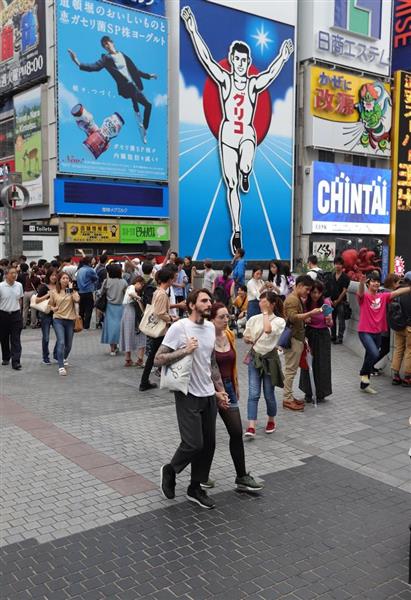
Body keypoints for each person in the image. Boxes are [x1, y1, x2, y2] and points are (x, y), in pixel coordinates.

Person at [181, 5, 293, 254]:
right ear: (232, 60)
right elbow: (205, 58)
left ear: (248, 62)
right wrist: (192, 29)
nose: (241, 64)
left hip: (247, 134)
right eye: (237, 59)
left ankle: (246, 171)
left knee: (246, 159)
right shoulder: (225, 79)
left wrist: (284, 56)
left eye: (245, 60)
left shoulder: (253, 84)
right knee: (231, 185)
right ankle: (237, 230)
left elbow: (271, 74)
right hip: (228, 134)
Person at [155, 289, 229, 509]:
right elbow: (159, 359)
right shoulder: (179, 328)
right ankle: (170, 470)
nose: (209, 304)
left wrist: (220, 389)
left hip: (208, 395)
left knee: (209, 445)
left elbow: (212, 362)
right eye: (204, 301)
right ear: (191, 305)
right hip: (187, 394)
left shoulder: (209, 328)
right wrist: (185, 350)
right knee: (193, 443)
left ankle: (195, 488)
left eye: (210, 300)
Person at [207, 302, 263, 490]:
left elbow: (233, 364)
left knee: (236, 433)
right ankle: (201, 476)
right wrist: (215, 392)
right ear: (211, 319)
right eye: (221, 317)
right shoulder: (205, 338)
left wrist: (235, 384)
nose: (226, 320)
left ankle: (241, 476)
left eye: (227, 316)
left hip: (229, 388)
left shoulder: (229, 335)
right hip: (209, 390)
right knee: (208, 438)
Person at [68, 36, 157, 144]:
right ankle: (139, 119)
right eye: (104, 45)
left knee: (148, 105)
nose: (107, 45)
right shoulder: (106, 58)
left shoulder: (122, 55)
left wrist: (148, 76)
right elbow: (94, 67)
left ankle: (144, 129)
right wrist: (77, 62)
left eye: (107, 42)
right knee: (131, 87)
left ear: (112, 43)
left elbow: (135, 70)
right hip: (125, 88)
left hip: (133, 87)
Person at [357, 271, 411, 394]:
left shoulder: (382, 296)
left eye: (377, 281)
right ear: (368, 283)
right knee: (375, 354)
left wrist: (409, 289)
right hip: (365, 331)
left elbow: (397, 292)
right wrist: (360, 282)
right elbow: (360, 292)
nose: (376, 283)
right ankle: (363, 373)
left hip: (377, 332)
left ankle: (364, 384)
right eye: (373, 281)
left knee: (369, 355)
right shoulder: (364, 297)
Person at [243, 291, 286, 437]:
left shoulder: (279, 321)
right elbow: (246, 336)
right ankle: (251, 425)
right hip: (255, 358)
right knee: (253, 393)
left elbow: (268, 330)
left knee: (269, 393)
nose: (261, 303)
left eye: (265, 301)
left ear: (273, 304)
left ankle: (271, 420)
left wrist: (266, 313)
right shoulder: (254, 319)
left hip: (270, 359)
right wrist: (248, 339)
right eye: (260, 301)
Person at [283, 275, 322, 411]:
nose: (308, 292)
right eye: (307, 289)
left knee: (292, 370)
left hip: (297, 338)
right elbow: (293, 318)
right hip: (293, 339)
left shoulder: (296, 298)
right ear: (299, 285)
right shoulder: (292, 299)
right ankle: (287, 399)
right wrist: (310, 313)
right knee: (290, 370)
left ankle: (289, 396)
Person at [139, 267, 176, 391]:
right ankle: (167, 380)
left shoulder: (157, 291)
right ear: (169, 280)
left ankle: (145, 381)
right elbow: (160, 312)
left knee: (154, 355)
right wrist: (171, 318)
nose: (173, 280)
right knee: (165, 354)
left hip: (157, 328)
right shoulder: (162, 294)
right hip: (160, 330)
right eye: (172, 278)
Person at [299, 281, 333, 403]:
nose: (316, 295)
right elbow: (301, 319)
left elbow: (330, 323)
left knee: (322, 364)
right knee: (308, 363)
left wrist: (328, 320)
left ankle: (321, 393)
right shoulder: (305, 303)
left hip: (323, 335)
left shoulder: (326, 303)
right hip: (310, 334)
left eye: (318, 292)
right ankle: (308, 392)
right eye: (313, 292)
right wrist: (305, 319)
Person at [48, 272, 80, 376]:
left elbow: (77, 299)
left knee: (69, 345)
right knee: (61, 342)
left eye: (67, 278)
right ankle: (61, 366)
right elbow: (50, 305)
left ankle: (62, 357)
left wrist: (71, 290)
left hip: (70, 320)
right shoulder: (54, 292)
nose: (66, 280)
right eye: (63, 278)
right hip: (58, 319)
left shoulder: (71, 291)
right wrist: (53, 308)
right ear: (59, 280)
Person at [100, 263, 127, 356]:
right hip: (121, 306)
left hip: (110, 307)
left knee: (110, 327)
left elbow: (101, 293)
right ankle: (118, 345)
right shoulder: (123, 282)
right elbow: (126, 294)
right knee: (119, 327)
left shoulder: (106, 281)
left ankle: (112, 348)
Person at [0, 266, 24, 370]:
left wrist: (20, 313)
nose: (14, 275)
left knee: (16, 339)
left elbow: (20, 300)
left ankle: (16, 361)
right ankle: (6, 357)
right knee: (4, 338)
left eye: (16, 273)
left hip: (15, 315)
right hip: (3, 315)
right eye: (12, 273)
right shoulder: (1, 286)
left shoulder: (19, 285)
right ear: (6, 275)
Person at [119, 276, 146, 368]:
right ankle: (137, 359)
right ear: (137, 282)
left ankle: (129, 359)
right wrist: (139, 297)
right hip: (131, 312)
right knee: (139, 334)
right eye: (141, 284)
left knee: (128, 334)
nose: (141, 287)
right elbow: (131, 293)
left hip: (128, 313)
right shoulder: (131, 287)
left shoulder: (134, 289)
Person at [391, 271, 411, 387]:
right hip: (409, 327)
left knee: (398, 349)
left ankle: (396, 375)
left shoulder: (398, 292)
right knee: (409, 350)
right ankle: (407, 377)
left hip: (399, 326)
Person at [35, 268, 58, 365]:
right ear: (48, 276)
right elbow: (37, 300)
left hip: (57, 314)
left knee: (60, 336)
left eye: (55, 275)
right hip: (45, 314)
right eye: (52, 275)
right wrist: (47, 295)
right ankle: (45, 357)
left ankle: (57, 355)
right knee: (46, 337)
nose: (54, 277)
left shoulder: (59, 286)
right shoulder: (44, 287)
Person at [329, 256, 350, 344]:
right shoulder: (332, 275)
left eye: (339, 264)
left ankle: (340, 337)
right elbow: (329, 288)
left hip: (341, 302)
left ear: (342, 266)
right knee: (332, 319)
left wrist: (337, 301)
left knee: (341, 320)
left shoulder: (345, 277)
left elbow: (345, 290)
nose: (337, 266)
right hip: (331, 301)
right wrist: (330, 299)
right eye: (336, 264)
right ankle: (333, 336)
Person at [76, 256, 98, 330]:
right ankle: (86, 325)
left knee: (81, 309)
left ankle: (80, 324)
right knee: (89, 309)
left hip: (80, 292)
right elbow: (96, 278)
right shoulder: (90, 270)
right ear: (89, 262)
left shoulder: (80, 270)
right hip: (88, 291)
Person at [21, 264, 41, 328]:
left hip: (25, 293)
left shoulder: (27, 277)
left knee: (25, 309)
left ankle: (23, 324)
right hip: (32, 293)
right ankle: (33, 324)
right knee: (33, 309)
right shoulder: (37, 278)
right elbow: (39, 286)